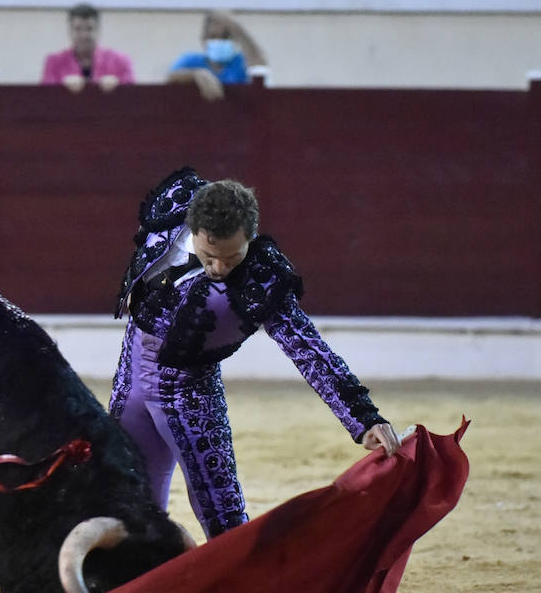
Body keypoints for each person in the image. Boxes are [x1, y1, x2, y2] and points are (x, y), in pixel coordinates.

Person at [110, 167, 400, 540]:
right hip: (130, 381)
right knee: (126, 502)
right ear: (192, 227)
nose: (218, 268)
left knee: (223, 518)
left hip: (189, 395)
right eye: (209, 254)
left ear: (250, 236)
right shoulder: (172, 209)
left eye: (231, 258)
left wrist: (363, 418)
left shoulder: (262, 279)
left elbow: (309, 349)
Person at [166, 10, 267, 101]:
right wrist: (195, 75)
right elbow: (171, 77)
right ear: (204, 40)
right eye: (213, 37)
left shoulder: (240, 62)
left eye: (225, 37)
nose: (219, 41)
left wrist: (236, 27)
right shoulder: (192, 61)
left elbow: (259, 65)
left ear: (235, 39)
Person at [39, 3, 135, 93]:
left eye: (89, 29)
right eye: (78, 29)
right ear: (69, 32)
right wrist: (62, 86)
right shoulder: (54, 62)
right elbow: (44, 99)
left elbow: (133, 99)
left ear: (98, 31)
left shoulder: (120, 61)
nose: (84, 35)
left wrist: (119, 86)